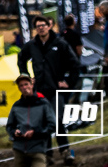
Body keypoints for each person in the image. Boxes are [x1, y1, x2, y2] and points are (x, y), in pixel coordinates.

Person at [19, 15, 81, 166]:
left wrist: (68, 82)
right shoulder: (32, 45)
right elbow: (21, 59)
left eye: (43, 25)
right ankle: (48, 155)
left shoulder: (60, 43)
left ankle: (66, 152)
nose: (41, 28)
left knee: (58, 120)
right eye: (38, 26)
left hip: (55, 89)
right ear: (36, 29)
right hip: (39, 90)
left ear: (49, 26)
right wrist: (26, 77)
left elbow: (75, 64)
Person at [7, 74, 55, 167]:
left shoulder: (43, 103)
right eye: (21, 85)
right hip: (19, 150)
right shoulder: (16, 106)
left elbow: (52, 125)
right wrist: (14, 132)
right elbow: (10, 126)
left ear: (31, 85)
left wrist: (35, 132)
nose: (24, 87)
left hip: (38, 149)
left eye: (26, 84)